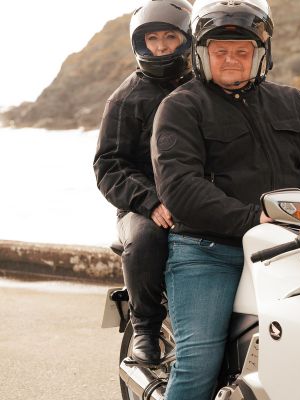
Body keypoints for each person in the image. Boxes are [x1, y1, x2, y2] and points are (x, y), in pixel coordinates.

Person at [150, 0, 300, 397]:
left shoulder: (294, 102)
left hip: (293, 245)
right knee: (199, 358)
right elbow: (180, 187)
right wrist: (254, 219)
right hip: (209, 250)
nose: (232, 60)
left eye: (242, 51)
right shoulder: (180, 107)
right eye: (221, 51)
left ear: (261, 55)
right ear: (203, 54)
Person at [93, 0, 193, 367]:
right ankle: (146, 328)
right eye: (153, 38)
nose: (163, 46)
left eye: (170, 36)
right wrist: (150, 201)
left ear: (187, 38)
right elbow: (108, 164)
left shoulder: (203, 87)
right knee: (147, 237)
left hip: (196, 196)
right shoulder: (125, 98)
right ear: (141, 43)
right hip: (142, 205)